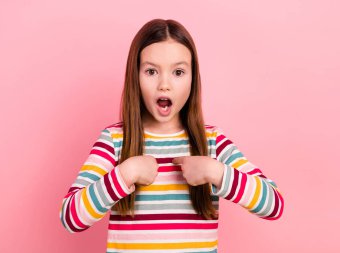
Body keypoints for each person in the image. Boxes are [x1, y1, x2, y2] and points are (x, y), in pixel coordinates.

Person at [59, 18, 284, 253]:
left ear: (192, 78)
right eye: (151, 71)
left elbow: (274, 205)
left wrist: (215, 172)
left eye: (178, 72)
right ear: (135, 76)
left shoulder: (212, 142)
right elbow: (70, 217)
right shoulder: (115, 140)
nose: (164, 84)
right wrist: (125, 173)